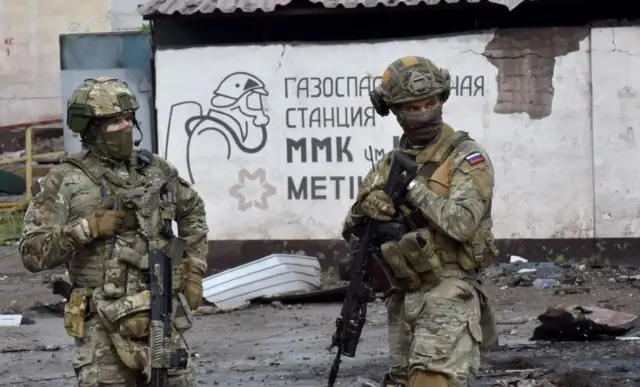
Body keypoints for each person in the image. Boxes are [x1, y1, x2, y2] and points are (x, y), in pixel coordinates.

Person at [18, 77, 209, 386]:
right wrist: (86, 229)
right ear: (91, 128)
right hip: (102, 332)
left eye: (128, 118)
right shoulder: (65, 182)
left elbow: (193, 212)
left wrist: (195, 269)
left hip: (160, 316)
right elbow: (31, 253)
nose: (125, 126)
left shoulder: (156, 169)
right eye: (114, 121)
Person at [341, 56, 499, 387]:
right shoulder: (387, 164)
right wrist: (366, 208)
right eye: (412, 107)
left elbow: (463, 223)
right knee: (401, 382)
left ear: (443, 99)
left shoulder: (466, 156)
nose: (423, 113)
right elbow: (351, 228)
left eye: (430, 103)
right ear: (393, 110)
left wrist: (412, 188)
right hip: (402, 295)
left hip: (448, 291)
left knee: (432, 381)